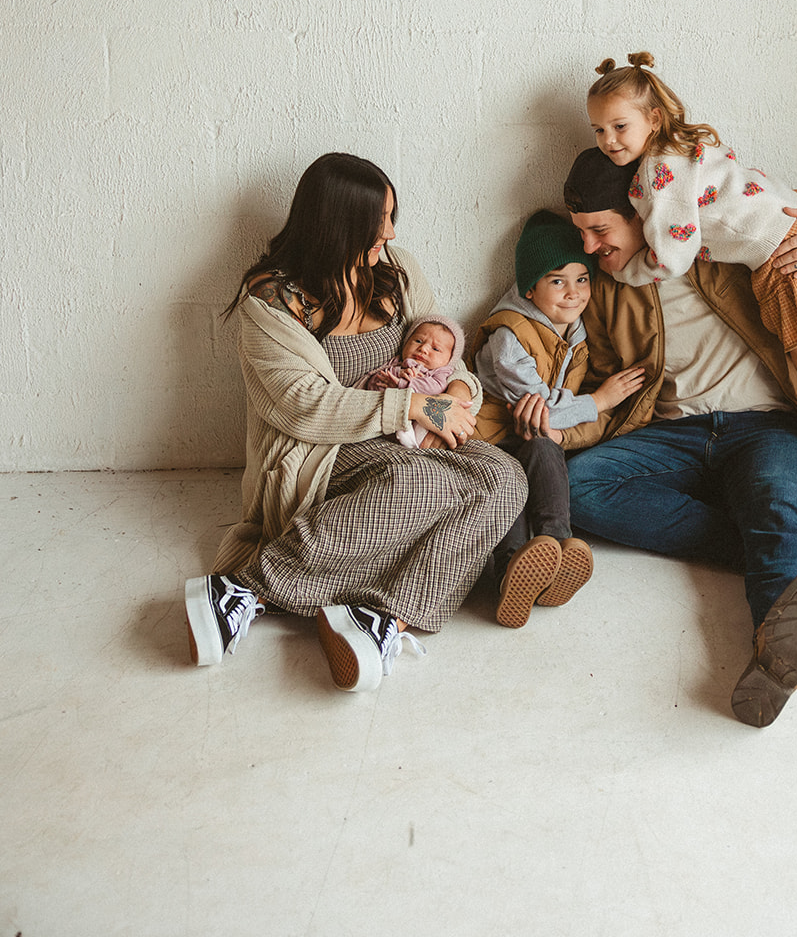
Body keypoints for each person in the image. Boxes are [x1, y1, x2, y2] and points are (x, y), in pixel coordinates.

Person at [559, 145, 797, 726]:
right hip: (672, 434)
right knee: (577, 486)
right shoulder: (604, 285)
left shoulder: (720, 232)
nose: (589, 246)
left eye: (599, 229)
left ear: (642, 212)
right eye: (581, 232)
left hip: (767, 425)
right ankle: (780, 552)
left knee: (776, 497)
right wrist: (554, 432)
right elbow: (604, 380)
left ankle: (777, 661)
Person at [184, 153, 525, 693]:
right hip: (321, 451)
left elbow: (445, 354)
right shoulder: (272, 302)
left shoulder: (398, 271)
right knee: (427, 483)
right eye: (379, 220)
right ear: (337, 223)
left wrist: (457, 393)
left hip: (409, 436)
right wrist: (410, 407)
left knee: (507, 478)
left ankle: (382, 616)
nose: (390, 231)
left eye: (392, 215)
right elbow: (304, 404)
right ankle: (248, 587)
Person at [586, 52, 797, 530]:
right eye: (598, 130)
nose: (608, 141)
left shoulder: (661, 171)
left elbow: (676, 252)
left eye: (619, 126)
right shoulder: (680, 155)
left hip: (786, 256)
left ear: (653, 118)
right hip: (773, 248)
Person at [470, 210, 645, 627]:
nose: (573, 293)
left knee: (545, 449)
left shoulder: (574, 327)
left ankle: (557, 549)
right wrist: (598, 401)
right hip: (492, 437)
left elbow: (544, 418)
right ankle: (511, 572)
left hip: (532, 431)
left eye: (581, 278)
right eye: (557, 281)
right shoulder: (509, 336)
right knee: (509, 482)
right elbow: (540, 404)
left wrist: (555, 417)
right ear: (530, 288)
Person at [360, 316, 466, 449]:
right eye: (418, 340)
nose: (423, 349)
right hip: (388, 423)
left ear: (449, 359)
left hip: (426, 424)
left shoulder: (440, 373)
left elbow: (436, 389)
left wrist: (406, 384)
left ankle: (415, 441)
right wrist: (396, 374)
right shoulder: (396, 364)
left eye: (436, 349)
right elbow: (373, 383)